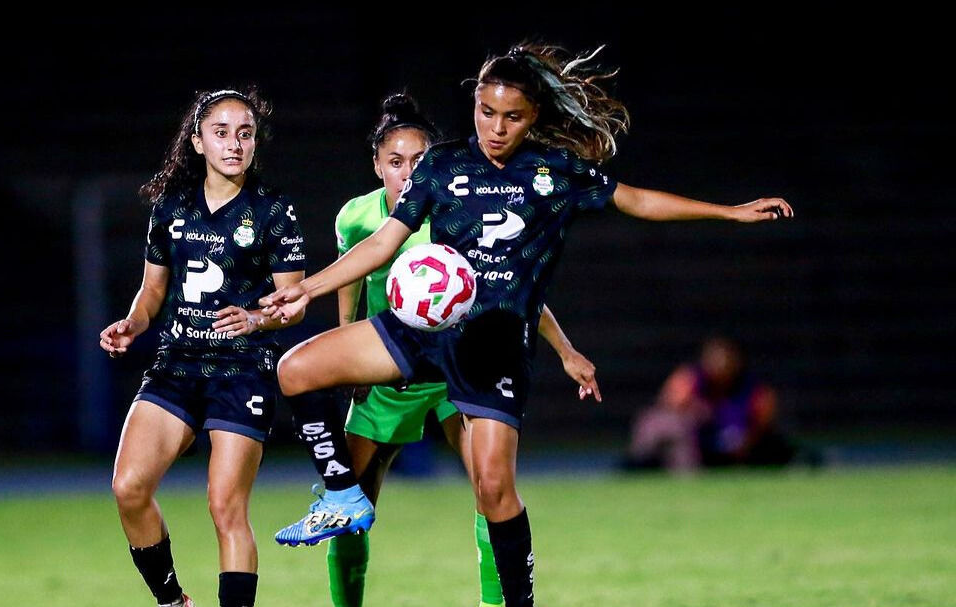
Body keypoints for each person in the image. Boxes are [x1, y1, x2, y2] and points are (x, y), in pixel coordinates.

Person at [260, 42, 794, 607]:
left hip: (492, 345)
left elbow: (635, 199)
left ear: (533, 116)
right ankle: (343, 493)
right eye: (485, 112)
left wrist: (728, 212)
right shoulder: (442, 164)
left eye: (511, 117)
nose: (495, 127)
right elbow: (386, 241)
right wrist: (306, 288)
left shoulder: (554, 173)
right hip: (423, 328)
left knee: (494, 491)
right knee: (296, 369)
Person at [329, 91, 600, 607]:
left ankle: (496, 603)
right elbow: (353, 282)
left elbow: (509, 290)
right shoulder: (358, 218)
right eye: (394, 162)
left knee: (490, 490)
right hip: (393, 369)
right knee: (350, 509)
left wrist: (565, 349)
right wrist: (348, 347)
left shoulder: (456, 209)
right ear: (376, 165)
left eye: (417, 161)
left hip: (460, 365)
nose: (407, 173)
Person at [99, 86, 308, 607]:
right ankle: (174, 602)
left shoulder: (274, 210)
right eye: (221, 133)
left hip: (243, 370)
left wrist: (257, 317)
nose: (234, 144)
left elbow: (295, 303)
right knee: (128, 487)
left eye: (245, 134)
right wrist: (132, 322)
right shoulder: (171, 209)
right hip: (177, 366)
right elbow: (153, 291)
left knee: (225, 509)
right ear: (197, 142)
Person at [625, 335, 798, 472]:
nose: (720, 366)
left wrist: (747, 441)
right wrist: (695, 410)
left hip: (742, 449)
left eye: (725, 360)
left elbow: (765, 416)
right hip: (699, 445)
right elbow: (669, 404)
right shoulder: (691, 380)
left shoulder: (751, 388)